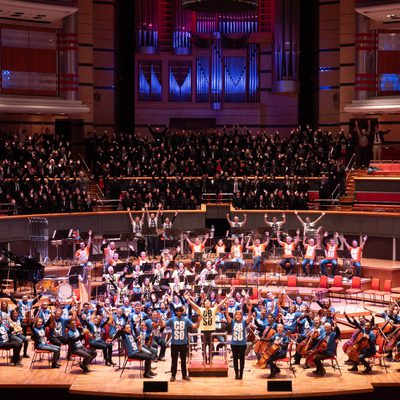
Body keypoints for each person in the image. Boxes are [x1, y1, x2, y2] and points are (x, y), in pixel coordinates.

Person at [184, 289, 233, 364]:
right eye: (206, 302)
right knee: (203, 346)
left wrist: (226, 298)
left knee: (211, 346)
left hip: (211, 330)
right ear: (204, 303)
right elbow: (194, 306)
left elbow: (220, 305)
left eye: (208, 301)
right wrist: (188, 299)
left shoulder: (213, 309)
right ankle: (204, 359)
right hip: (203, 330)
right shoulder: (201, 309)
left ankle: (210, 359)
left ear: (210, 303)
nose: (207, 302)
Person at [166, 306, 200, 382]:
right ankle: (173, 375)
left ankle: (184, 375)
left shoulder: (186, 320)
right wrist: (159, 318)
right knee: (174, 360)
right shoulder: (171, 320)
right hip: (174, 344)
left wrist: (199, 321)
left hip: (183, 343)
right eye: (177, 311)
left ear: (182, 312)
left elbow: (195, 327)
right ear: (175, 312)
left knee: (184, 360)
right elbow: (163, 325)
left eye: (180, 311)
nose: (179, 313)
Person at [224, 308, 252, 379]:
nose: (238, 316)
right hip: (234, 344)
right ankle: (236, 374)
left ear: (241, 316)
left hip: (242, 344)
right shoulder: (232, 322)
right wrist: (226, 308)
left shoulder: (244, 322)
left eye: (239, 315)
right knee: (235, 359)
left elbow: (249, 318)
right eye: (236, 315)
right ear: (234, 316)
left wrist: (249, 310)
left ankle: (241, 375)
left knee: (242, 359)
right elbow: (227, 316)